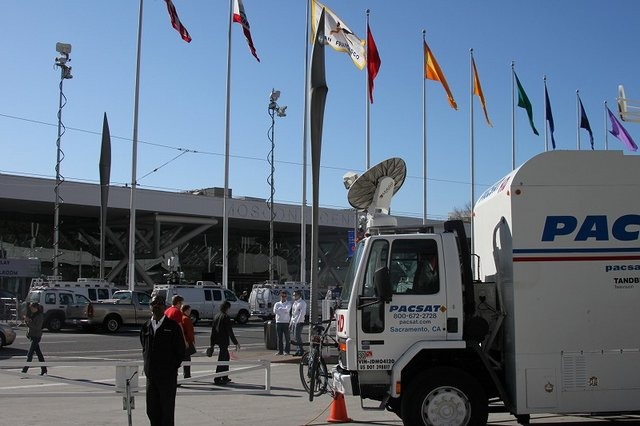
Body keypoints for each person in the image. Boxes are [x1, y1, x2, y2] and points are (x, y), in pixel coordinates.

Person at [140, 295, 185, 426]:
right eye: (153, 303)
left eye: (159, 303)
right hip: (151, 377)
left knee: (167, 412)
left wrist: (170, 368)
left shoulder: (172, 326)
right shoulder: (146, 327)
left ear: (164, 306)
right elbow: (144, 347)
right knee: (152, 411)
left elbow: (180, 351)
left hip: (167, 378)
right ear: (150, 307)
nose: (156, 306)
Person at [209, 301, 240, 385]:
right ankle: (218, 378)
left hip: (218, 340)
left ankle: (225, 376)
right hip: (224, 341)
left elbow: (213, 331)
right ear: (227, 308)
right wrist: (236, 342)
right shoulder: (225, 317)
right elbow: (230, 331)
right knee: (222, 359)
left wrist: (212, 344)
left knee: (226, 358)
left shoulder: (217, 316)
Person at [22, 302, 47, 375]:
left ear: (36, 308)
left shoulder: (40, 316)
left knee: (30, 354)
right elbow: (30, 325)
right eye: (31, 308)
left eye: (32, 308)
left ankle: (24, 370)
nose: (31, 309)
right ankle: (44, 369)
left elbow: (37, 327)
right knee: (39, 354)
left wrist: (29, 321)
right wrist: (27, 321)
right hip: (32, 336)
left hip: (36, 336)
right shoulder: (33, 314)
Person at [273, 290, 292, 355]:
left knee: (287, 338)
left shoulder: (288, 303)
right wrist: (283, 310)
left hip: (286, 322)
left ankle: (287, 351)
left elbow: (287, 310)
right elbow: (275, 311)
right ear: (280, 296)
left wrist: (280, 310)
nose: (283, 297)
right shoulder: (277, 304)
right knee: (279, 338)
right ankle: (280, 351)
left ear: (286, 297)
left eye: (285, 296)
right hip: (278, 322)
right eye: (282, 296)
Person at [290, 290, 307, 356]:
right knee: (295, 336)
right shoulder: (295, 303)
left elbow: (302, 314)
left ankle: (301, 350)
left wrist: (297, 322)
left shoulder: (302, 303)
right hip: (294, 321)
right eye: (293, 295)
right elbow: (293, 314)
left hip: (299, 322)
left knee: (297, 336)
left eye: (295, 295)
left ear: (299, 295)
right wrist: (291, 323)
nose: (294, 296)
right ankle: (298, 349)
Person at [181, 304, 196, 379]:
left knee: (182, 358)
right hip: (187, 341)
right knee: (187, 359)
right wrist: (192, 340)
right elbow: (190, 332)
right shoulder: (186, 319)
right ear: (186, 310)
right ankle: (187, 375)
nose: (190, 312)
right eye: (189, 310)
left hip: (181, 341)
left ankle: (186, 374)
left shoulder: (180, 317)